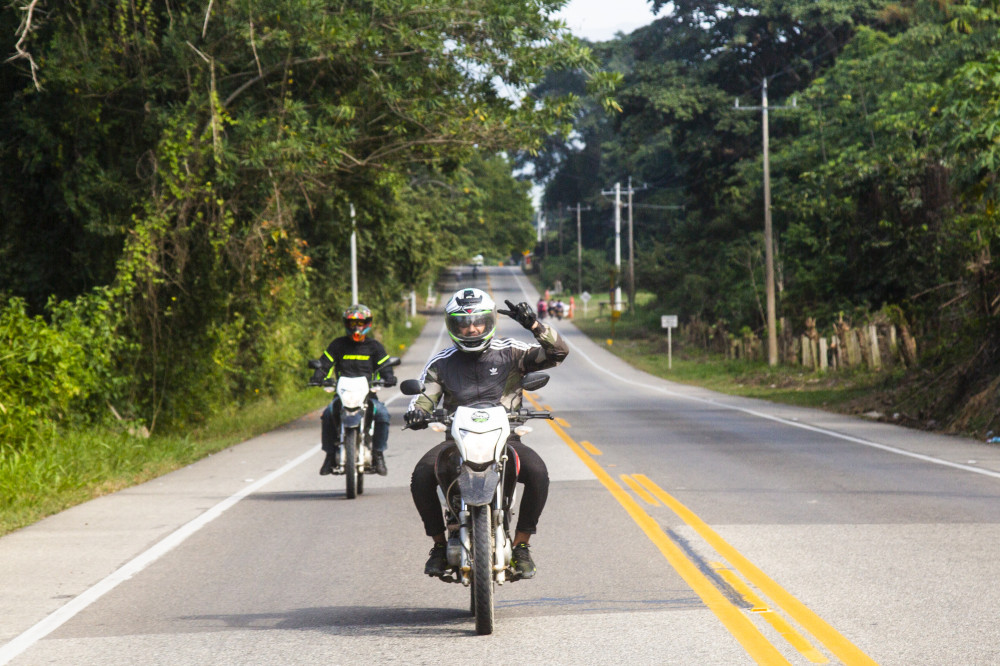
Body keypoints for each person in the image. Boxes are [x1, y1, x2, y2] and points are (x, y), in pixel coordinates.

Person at [405, 288, 569, 580]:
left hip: (506, 440)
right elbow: (424, 397)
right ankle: (439, 546)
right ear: (452, 326)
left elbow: (558, 353)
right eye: (463, 323)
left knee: (537, 472)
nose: (472, 328)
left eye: (478, 321)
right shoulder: (442, 362)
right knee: (421, 475)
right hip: (457, 443)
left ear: (490, 321)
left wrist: (534, 325)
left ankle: (521, 545)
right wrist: (417, 411)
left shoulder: (512, 351)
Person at [310, 304, 396, 476]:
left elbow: (386, 367)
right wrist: (317, 377)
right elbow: (324, 365)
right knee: (327, 414)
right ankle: (329, 456)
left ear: (368, 324)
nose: (357, 327)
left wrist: (389, 377)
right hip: (342, 396)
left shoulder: (375, 347)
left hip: (368, 396)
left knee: (382, 415)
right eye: (352, 323)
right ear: (346, 325)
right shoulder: (337, 345)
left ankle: (378, 455)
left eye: (361, 323)